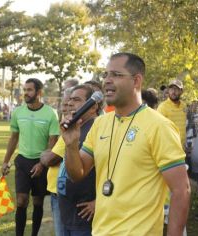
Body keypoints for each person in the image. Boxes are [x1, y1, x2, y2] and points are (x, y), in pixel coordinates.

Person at [61, 53, 190, 235]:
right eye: (106, 75)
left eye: (116, 74)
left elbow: (181, 190)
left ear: (136, 81)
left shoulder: (159, 126)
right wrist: (71, 145)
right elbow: (77, 173)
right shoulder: (100, 124)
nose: (107, 80)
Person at [1, 78, 59, 236]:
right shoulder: (18, 112)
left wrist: (42, 164)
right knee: (21, 201)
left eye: (29, 90)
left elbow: (53, 143)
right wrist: (6, 161)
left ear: (39, 93)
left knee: (38, 202)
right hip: (22, 161)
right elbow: (14, 138)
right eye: (25, 90)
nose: (25, 93)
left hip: (42, 162)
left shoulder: (50, 113)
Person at [57, 84, 98, 235]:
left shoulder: (99, 128)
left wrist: (98, 202)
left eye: (76, 99)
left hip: (84, 215)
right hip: (67, 210)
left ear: (93, 107)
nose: (70, 103)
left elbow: (116, 171)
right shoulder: (74, 127)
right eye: (70, 99)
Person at [40, 87, 73, 236]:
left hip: (63, 193)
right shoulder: (64, 124)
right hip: (56, 190)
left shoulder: (72, 128)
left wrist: (45, 154)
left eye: (71, 104)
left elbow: (50, 159)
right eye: (65, 104)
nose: (66, 108)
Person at [157, 79, 187, 147]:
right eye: (171, 89)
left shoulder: (184, 106)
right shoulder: (162, 107)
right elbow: (158, 130)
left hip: (182, 148)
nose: (173, 92)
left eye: (176, 89)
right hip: (169, 149)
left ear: (181, 91)